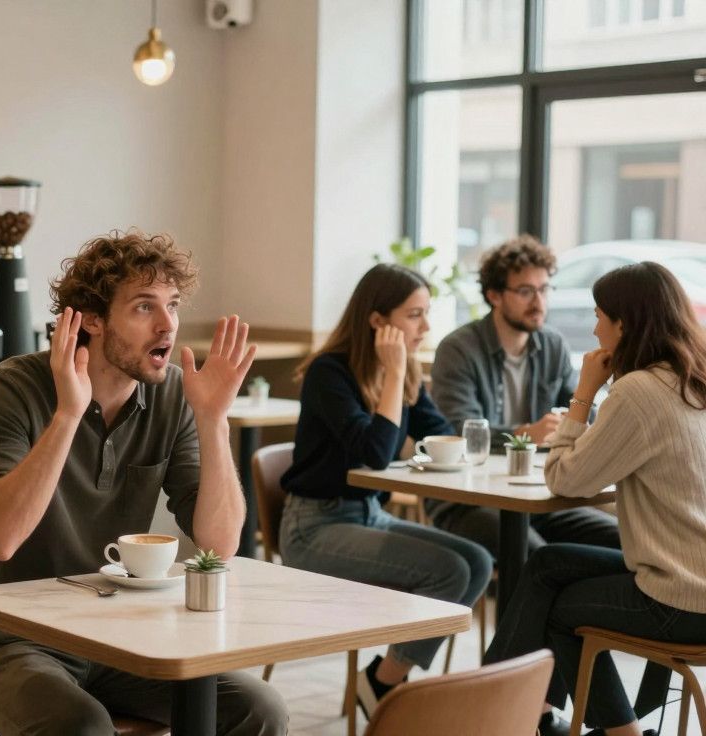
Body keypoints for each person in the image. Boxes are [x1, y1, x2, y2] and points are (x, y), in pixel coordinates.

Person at [0, 231, 289, 735]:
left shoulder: (174, 396)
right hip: (5, 640)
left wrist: (214, 420)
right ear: (93, 319)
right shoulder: (9, 389)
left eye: (172, 305)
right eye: (145, 307)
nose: (168, 323)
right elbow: (0, 537)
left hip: (117, 633)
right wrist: (67, 415)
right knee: (79, 726)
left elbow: (220, 543)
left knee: (259, 709)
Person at [484, 262, 706, 736]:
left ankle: (509, 716)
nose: (593, 327)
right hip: (695, 577)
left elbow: (564, 478)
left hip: (682, 598)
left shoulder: (639, 391)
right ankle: (525, 715)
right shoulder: (693, 380)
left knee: (561, 608)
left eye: (600, 314)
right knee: (547, 564)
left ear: (625, 323)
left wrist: (584, 393)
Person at [278, 263, 492, 717]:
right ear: (378, 321)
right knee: (450, 571)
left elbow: (441, 432)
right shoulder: (329, 373)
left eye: (427, 313)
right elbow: (374, 452)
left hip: (368, 515)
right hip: (313, 527)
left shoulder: (406, 374)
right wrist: (394, 375)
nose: (426, 327)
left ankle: (379, 680)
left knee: (477, 561)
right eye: (414, 315)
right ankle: (389, 686)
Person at [429, 235, 620, 557]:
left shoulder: (553, 345)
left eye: (544, 289)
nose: (539, 302)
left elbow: (579, 412)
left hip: (535, 491)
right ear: (494, 296)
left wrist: (577, 419)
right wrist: (524, 434)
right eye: (525, 291)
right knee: (538, 557)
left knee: (620, 540)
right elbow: (459, 429)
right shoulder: (458, 349)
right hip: (466, 497)